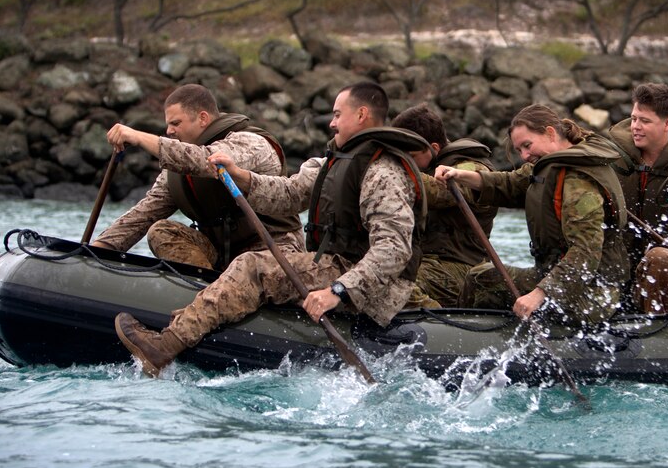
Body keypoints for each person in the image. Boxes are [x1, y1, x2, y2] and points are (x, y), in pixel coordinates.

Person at [113, 82, 430, 377]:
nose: (331, 123)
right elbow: (289, 194)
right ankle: (195, 319)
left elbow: (393, 249)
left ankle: (164, 347)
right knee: (248, 262)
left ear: (361, 115)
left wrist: (338, 291)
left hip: (368, 285)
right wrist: (241, 176)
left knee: (253, 265)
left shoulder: (382, 171)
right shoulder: (331, 163)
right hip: (339, 266)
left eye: (337, 114)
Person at [434, 104, 629, 328]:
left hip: (592, 294)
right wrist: (459, 175)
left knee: (481, 282)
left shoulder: (578, 181)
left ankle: (465, 337)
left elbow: (585, 253)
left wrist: (538, 294)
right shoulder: (549, 165)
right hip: (559, 279)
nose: (525, 156)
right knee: (480, 276)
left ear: (550, 133)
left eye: (527, 145)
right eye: (519, 151)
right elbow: (509, 183)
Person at [93, 83, 301, 270]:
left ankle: (211, 301)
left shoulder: (250, 143)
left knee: (246, 266)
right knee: (161, 231)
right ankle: (202, 291)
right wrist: (99, 250)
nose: (169, 131)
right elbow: (144, 213)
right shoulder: (178, 168)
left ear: (202, 118)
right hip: (224, 256)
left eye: (176, 123)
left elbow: (206, 161)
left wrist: (139, 137)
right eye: (168, 124)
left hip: (273, 251)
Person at [605, 82, 668, 314]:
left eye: (645, 121)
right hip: (616, 274)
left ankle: (667, 338)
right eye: (634, 119)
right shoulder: (609, 158)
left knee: (660, 258)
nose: (635, 127)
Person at [391, 104, 499, 308]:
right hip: (425, 261)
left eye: (410, 157)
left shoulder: (473, 167)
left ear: (434, 148)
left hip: (462, 270)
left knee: (395, 284)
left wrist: (389, 175)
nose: (405, 162)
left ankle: (439, 324)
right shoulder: (426, 166)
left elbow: (443, 191)